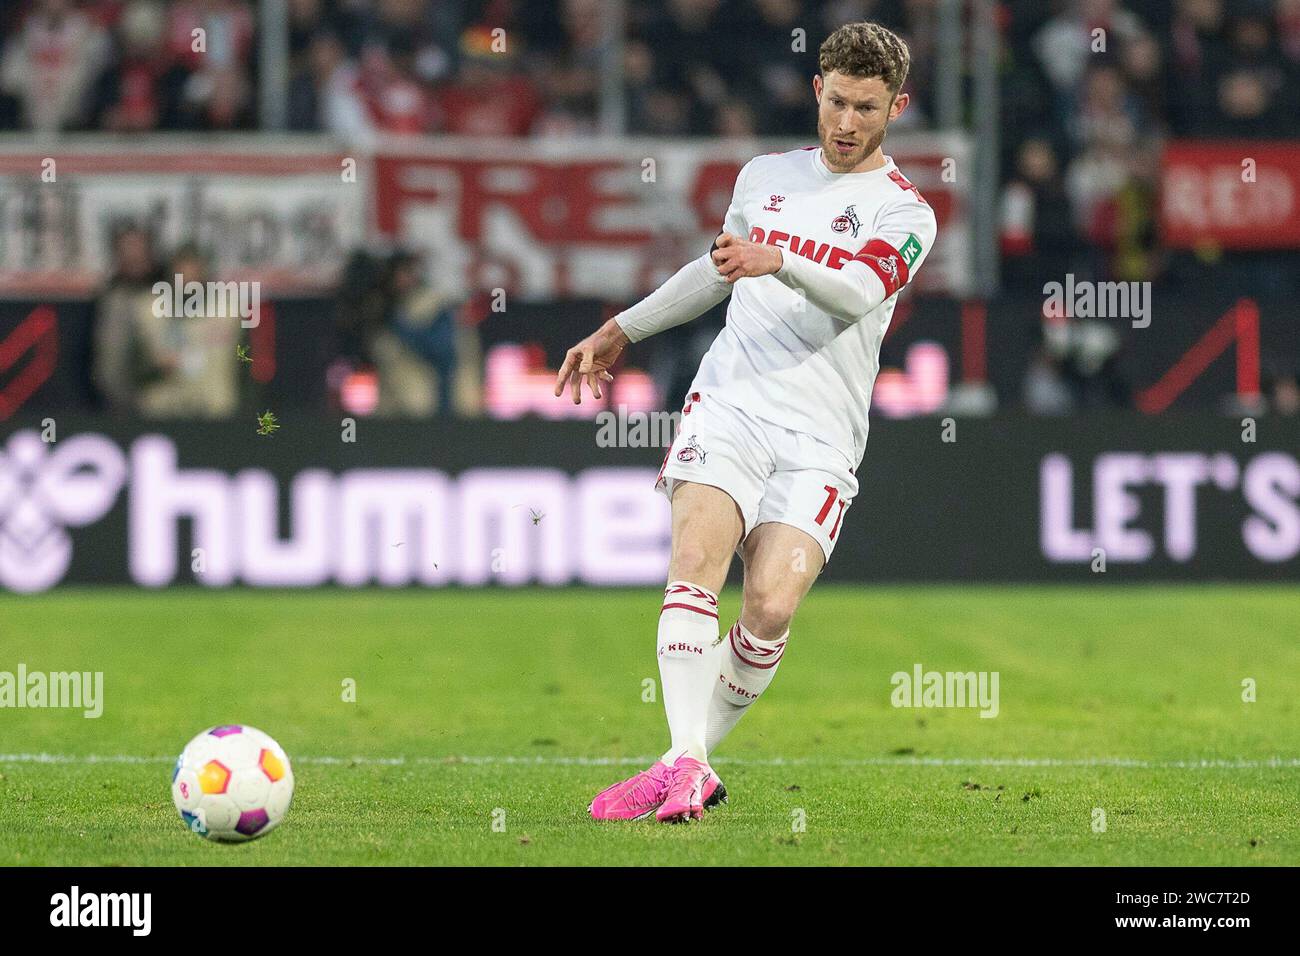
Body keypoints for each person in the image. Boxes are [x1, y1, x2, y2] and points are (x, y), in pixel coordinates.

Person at [555, 21, 938, 823]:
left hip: (824, 434)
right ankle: (692, 765)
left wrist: (783, 260)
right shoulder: (764, 176)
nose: (846, 123)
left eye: (867, 108)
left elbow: (859, 293)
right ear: (816, 91)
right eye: (836, 101)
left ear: (896, 107)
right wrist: (620, 329)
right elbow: (715, 270)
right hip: (730, 400)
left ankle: (678, 761)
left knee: (768, 607)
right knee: (696, 558)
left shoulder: (906, 212)